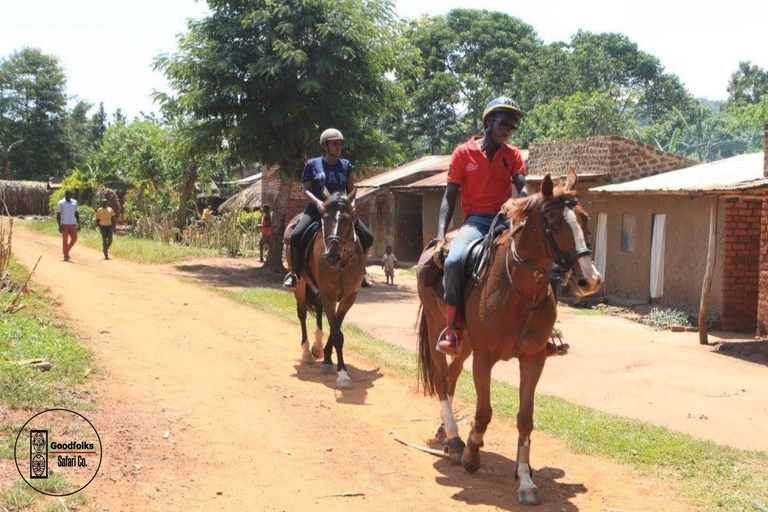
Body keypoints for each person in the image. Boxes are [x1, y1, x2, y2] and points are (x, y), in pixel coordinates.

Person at [434, 96, 529, 357]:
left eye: (512, 127)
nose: (508, 131)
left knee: (538, 256)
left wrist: (521, 204)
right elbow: (449, 197)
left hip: (503, 220)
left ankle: (546, 332)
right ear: (489, 121)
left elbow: (522, 187)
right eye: (504, 124)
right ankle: (453, 329)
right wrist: (441, 236)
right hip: (475, 222)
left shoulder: (513, 155)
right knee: (454, 261)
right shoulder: (463, 153)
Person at [283, 128, 374, 289]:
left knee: (367, 237)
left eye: (340, 144)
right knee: (296, 236)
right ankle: (294, 273)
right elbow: (305, 189)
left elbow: (351, 191)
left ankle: (361, 272)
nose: (338, 147)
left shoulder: (346, 166)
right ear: (326, 146)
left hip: (341, 211)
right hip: (317, 209)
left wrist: (351, 207)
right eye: (334, 144)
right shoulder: (313, 165)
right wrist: (318, 202)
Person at [56, 190, 81, 262]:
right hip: (65, 223)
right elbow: (58, 215)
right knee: (65, 240)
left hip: (73, 223)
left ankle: (66, 251)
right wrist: (59, 225)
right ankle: (66, 256)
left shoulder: (74, 202)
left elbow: (76, 213)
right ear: (66, 195)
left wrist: (79, 223)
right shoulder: (61, 203)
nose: (70, 196)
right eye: (69, 195)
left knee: (74, 239)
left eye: (71, 195)